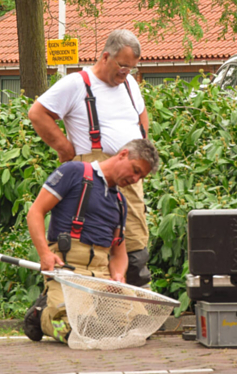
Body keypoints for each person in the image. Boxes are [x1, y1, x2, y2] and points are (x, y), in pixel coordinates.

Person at [28, 29, 153, 287]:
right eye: (122, 66)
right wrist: (66, 151)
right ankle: (57, 310)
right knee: (88, 247)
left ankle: (129, 316)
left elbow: (142, 115)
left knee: (134, 248)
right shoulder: (77, 83)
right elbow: (37, 113)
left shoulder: (130, 85)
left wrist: (139, 149)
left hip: (129, 176)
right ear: (106, 56)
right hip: (91, 177)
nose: (126, 73)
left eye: (131, 69)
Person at [23, 139, 161, 343]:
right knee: (75, 331)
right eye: (135, 170)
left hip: (101, 276)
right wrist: (44, 253)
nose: (135, 179)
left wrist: (117, 276)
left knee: (139, 327)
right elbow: (35, 212)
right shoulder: (74, 172)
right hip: (68, 270)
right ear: (123, 155)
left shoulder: (121, 202)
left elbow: (118, 253)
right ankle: (42, 314)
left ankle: (85, 315)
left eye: (140, 176)